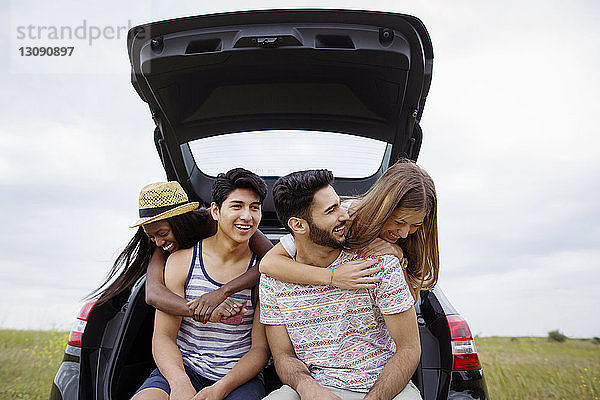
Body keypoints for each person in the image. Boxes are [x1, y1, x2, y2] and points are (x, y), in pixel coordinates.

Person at [260, 169, 422, 400]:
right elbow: (283, 356)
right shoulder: (273, 279)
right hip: (318, 388)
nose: (344, 215)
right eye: (331, 210)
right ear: (298, 226)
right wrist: (308, 387)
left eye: (339, 205)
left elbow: (409, 349)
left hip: (385, 387)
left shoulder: (378, 262)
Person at [133, 168, 270, 400]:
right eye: (236, 206)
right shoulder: (179, 259)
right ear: (215, 211)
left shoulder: (265, 270)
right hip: (184, 368)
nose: (246, 216)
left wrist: (220, 389)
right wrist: (180, 383)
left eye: (254, 208)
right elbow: (164, 335)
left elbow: (259, 350)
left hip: (238, 377)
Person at [89, 181, 272, 322]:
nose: (159, 242)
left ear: (180, 222)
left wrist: (222, 292)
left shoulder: (218, 219)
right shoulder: (162, 243)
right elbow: (153, 293)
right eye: (152, 237)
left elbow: (270, 263)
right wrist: (203, 310)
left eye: (162, 234)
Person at [259, 158, 439, 301]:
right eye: (399, 221)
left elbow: (411, 299)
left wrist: (399, 256)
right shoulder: (342, 219)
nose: (405, 233)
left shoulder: (413, 239)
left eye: (415, 225)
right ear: (382, 207)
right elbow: (269, 264)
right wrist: (333, 277)